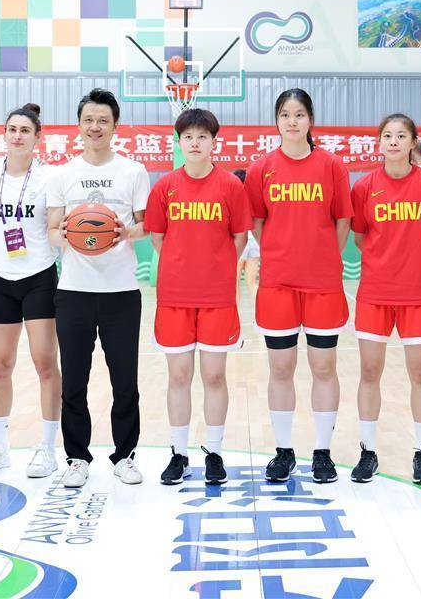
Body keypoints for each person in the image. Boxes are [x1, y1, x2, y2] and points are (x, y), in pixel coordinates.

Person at [245, 88, 352, 484]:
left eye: (299, 114)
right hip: (278, 285)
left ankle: (322, 452)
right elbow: (258, 222)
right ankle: (284, 450)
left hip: (323, 284)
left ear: (311, 120)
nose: (292, 121)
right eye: (285, 114)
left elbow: (343, 220)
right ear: (276, 121)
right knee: (280, 368)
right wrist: (280, 253)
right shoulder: (261, 169)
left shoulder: (332, 166)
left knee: (324, 367)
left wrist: (323, 256)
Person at [47, 89, 150, 488]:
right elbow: (52, 230)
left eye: (103, 120)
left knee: (125, 381)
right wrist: (67, 235)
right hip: (74, 290)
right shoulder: (62, 175)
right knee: (74, 381)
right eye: (89, 120)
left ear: (114, 126)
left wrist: (125, 232)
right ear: (79, 125)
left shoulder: (133, 171)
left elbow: (145, 225)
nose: (95, 127)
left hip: (121, 290)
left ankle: (125, 455)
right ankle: (77, 457)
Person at [146, 109, 253, 486]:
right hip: (175, 296)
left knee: (214, 375)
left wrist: (214, 268)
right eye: (188, 137)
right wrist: (183, 265)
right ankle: (178, 454)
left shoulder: (230, 186)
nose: (195, 143)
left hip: (217, 297)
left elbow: (240, 237)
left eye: (202, 137)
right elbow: (157, 237)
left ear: (213, 142)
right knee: (178, 375)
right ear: (179, 142)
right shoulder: (165, 186)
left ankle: (214, 452)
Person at [349, 113, 421, 485]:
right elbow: (360, 237)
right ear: (379, 142)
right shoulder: (364, 187)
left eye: (401, 136)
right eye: (387, 136)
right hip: (374, 293)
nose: (393, 141)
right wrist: (386, 262)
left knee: (420, 374)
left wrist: (412, 263)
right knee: (369, 372)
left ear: (413, 142)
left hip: (417, 295)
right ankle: (368, 451)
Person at [0, 104, 62, 479]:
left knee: (45, 364)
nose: (18, 136)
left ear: (37, 137)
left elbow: (55, 226)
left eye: (25, 130)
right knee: (0, 365)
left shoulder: (49, 177)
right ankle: (0, 446)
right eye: (12, 129)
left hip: (39, 277)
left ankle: (48, 447)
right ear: (4, 134)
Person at [233, 169, 261, 302]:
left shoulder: (234, 197)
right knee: (252, 283)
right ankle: (261, 313)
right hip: (254, 242)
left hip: (240, 241)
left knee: (235, 284)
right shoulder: (254, 198)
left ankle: (235, 315)